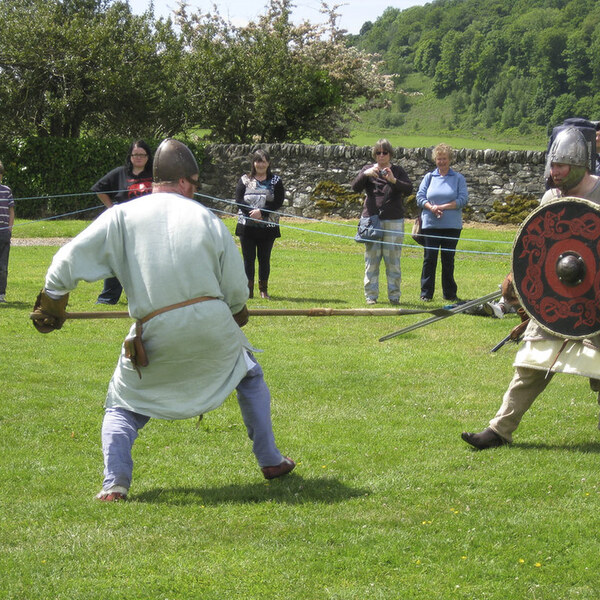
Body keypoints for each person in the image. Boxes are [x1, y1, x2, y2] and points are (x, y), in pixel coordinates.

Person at [31, 138, 295, 501]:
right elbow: (236, 285)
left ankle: (115, 484)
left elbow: (65, 260)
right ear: (187, 181)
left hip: (155, 329)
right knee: (248, 374)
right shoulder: (206, 217)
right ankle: (270, 460)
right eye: (195, 183)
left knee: (122, 405)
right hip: (213, 324)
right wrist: (237, 310)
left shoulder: (121, 216)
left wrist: (53, 301)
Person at [462, 127, 600, 450]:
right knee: (530, 364)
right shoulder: (551, 198)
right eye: (552, 166)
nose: (555, 172)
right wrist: (518, 279)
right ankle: (498, 430)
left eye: (561, 166)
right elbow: (538, 245)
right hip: (557, 297)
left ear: (579, 163)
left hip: (595, 302)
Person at [91, 140, 154, 305]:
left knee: (145, 260)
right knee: (117, 258)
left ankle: (142, 296)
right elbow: (99, 188)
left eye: (142, 154)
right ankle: (107, 298)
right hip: (123, 224)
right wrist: (111, 208)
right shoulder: (120, 173)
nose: (138, 158)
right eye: (135, 155)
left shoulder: (155, 174)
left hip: (149, 225)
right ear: (130, 156)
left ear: (148, 157)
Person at [352, 139, 413, 305]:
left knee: (393, 260)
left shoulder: (398, 171)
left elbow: (409, 189)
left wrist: (393, 180)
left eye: (384, 152)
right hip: (371, 220)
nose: (381, 155)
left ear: (390, 154)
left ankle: (394, 296)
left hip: (394, 220)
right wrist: (365, 175)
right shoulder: (367, 170)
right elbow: (354, 188)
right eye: (378, 152)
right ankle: (371, 296)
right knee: (371, 260)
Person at [416, 143, 468, 303]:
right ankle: (426, 293)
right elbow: (420, 197)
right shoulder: (429, 177)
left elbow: (462, 200)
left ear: (450, 160)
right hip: (431, 225)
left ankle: (450, 293)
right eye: (439, 159)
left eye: (444, 159)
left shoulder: (458, 178)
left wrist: (443, 207)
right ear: (435, 160)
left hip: (451, 227)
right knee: (429, 259)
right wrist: (431, 207)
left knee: (448, 260)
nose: (442, 162)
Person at [235, 149, 284, 300]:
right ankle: (248, 291)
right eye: (258, 161)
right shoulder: (244, 179)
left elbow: (278, 201)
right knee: (248, 259)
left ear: (268, 163)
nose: (260, 164)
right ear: (253, 163)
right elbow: (239, 200)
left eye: (263, 161)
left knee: (264, 259)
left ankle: (263, 290)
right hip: (247, 226)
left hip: (268, 227)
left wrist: (262, 213)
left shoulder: (276, 181)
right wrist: (252, 212)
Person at [0, 160, 15, 303]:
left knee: (3, 266)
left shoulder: (6, 190)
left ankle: (1, 294)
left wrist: (10, 228)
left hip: (4, 232)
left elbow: (11, 211)